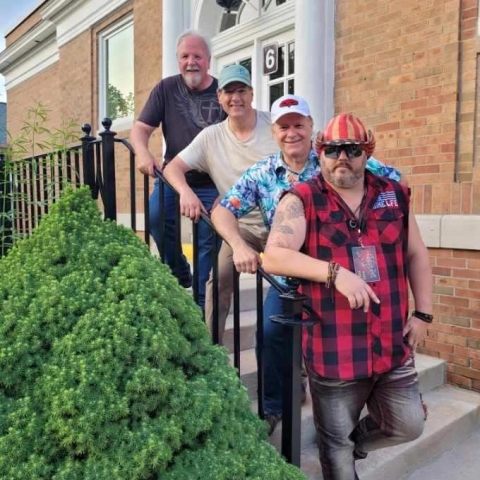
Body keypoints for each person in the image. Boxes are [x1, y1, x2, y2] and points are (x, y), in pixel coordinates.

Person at [211, 96, 404, 436]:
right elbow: (223, 209)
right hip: (293, 277)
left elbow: (393, 180)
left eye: (299, 124)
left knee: (354, 338)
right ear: (274, 131)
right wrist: (239, 244)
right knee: (271, 332)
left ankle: (361, 415)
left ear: (311, 128)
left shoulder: (335, 156)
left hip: (341, 275)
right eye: (284, 126)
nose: (291, 133)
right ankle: (273, 406)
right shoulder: (263, 173)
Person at [262, 113, 433, 479]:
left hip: (390, 343)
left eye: (352, 149)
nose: (343, 156)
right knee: (336, 455)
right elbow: (274, 255)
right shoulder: (302, 198)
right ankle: (341, 446)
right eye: (334, 149)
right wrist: (335, 274)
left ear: (366, 153)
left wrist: (424, 314)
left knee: (409, 424)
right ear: (320, 152)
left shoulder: (394, 194)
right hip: (333, 350)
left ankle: (356, 441)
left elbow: (416, 253)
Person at [162, 63, 277, 330]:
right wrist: (186, 192)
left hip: (280, 223)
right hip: (239, 227)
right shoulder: (210, 137)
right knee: (219, 280)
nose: (235, 97)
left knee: (288, 288)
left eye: (241, 90)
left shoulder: (275, 125)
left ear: (251, 93)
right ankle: (211, 353)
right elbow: (172, 168)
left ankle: (298, 360)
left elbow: (313, 146)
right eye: (228, 91)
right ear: (219, 97)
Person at [130, 30, 225, 310]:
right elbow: (141, 129)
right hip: (174, 176)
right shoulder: (166, 88)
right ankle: (178, 270)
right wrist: (143, 153)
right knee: (156, 217)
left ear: (208, 60)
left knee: (209, 240)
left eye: (197, 56)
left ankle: (198, 307)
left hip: (212, 182)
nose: (191, 62)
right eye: (185, 56)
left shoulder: (223, 93)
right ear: (178, 60)